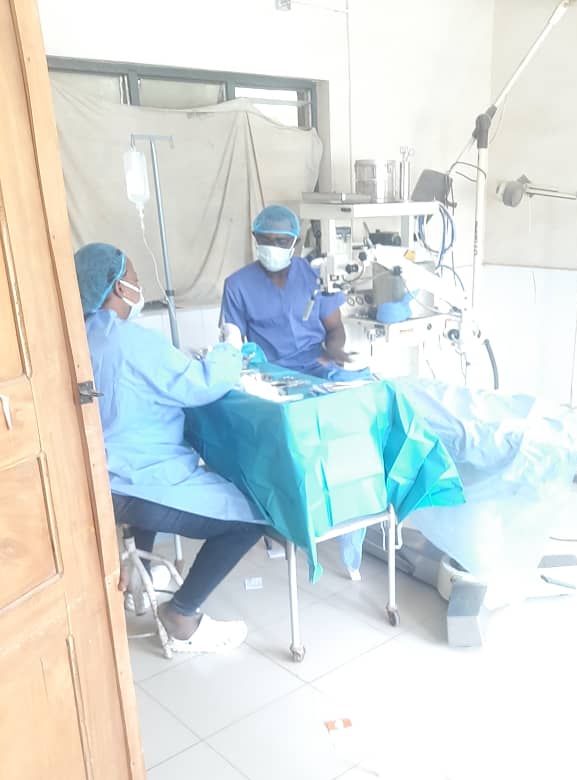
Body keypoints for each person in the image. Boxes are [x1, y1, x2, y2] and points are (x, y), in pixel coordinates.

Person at [74, 242, 263, 654]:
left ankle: (137, 582)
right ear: (117, 287)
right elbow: (202, 385)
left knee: (157, 488)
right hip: (139, 479)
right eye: (135, 280)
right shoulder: (131, 341)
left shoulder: (77, 338)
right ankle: (182, 614)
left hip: (101, 476)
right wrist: (230, 349)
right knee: (249, 518)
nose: (138, 288)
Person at [220, 204, 370, 381]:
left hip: (317, 367)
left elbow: (335, 328)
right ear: (255, 237)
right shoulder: (237, 285)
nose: (273, 247)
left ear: (295, 242)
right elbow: (233, 342)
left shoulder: (315, 277)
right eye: (265, 240)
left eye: (281, 241)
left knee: (366, 388)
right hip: (269, 374)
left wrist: (334, 350)